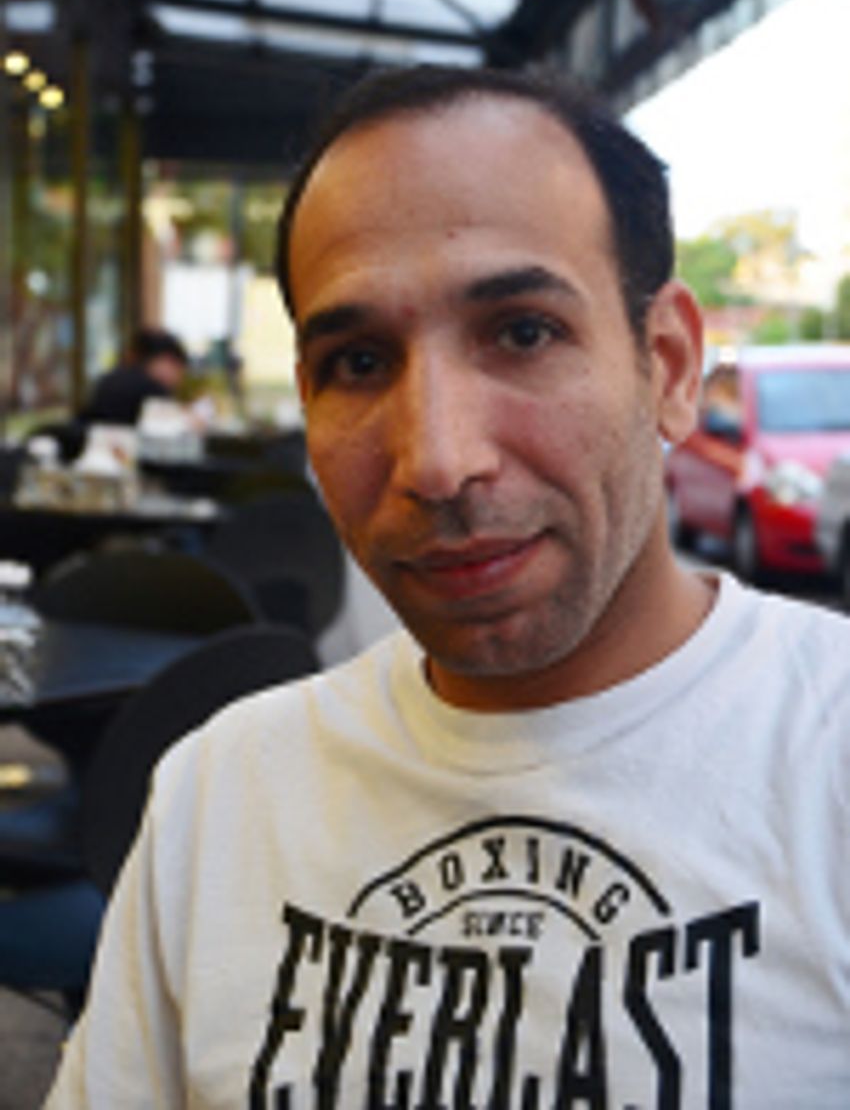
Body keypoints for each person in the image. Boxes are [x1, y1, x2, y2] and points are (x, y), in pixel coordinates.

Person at [46, 67, 849, 1107]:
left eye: (523, 332)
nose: (436, 460)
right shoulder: (221, 791)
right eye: (358, 361)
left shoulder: (823, 752)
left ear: (670, 364)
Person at [77, 326, 189, 426]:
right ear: (164, 361)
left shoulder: (109, 379)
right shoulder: (152, 390)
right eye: (177, 367)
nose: (179, 378)